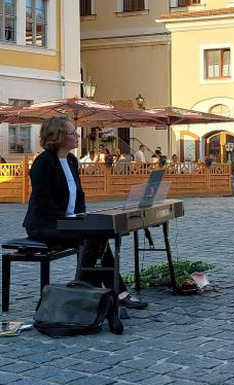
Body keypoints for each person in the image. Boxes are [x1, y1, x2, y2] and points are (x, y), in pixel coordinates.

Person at [22, 117, 147, 309]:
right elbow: (42, 201)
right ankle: (94, 293)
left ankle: (94, 292)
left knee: (99, 236)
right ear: (59, 136)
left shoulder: (71, 160)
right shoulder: (43, 162)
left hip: (69, 221)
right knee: (93, 239)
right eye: (72, 133)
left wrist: (82, 217)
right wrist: (70, 221)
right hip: (43, 225)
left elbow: (79, 194)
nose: (77, 135)